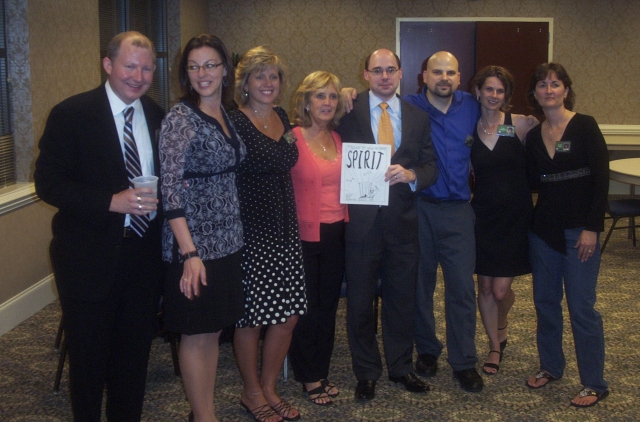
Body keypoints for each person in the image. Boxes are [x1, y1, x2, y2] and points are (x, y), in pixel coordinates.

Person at [34, 31, 165, 421]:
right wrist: (111, 202)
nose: (138, 76)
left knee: (133, 361)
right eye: (130, 66)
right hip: (87, 257)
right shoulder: (72, 113)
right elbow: (48, 183)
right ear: (108, 65)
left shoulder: (158, 116)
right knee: (89, 363)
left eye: (147, 68)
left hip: (143, 259)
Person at [336, 48, 438, 401]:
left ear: (400, 73)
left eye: (390, 70)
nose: (384, 76)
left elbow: (430, 166)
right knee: (361, 302)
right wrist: (342, 93)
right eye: (376, 70)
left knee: (401, 300)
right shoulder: (346, 110)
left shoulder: (416, 117)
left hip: (403, 223)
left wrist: (412, 174)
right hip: (361, 224)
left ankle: (400, 367)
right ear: (364, 74)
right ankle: (366, 371)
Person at [159, 34, 245, 422]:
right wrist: (189, 254)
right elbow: (169, 190)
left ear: (225, 69)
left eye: (210, 64)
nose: (202, 73)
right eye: (194, 67)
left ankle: (202, 411)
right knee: (195, 333)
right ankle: (205, 416)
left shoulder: (225, 113)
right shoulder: (180, 118)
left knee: (212, 331)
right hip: (193, 247)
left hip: (227, 241)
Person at [524, 63, 610, 408]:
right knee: (545, 304)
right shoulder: (533, 134)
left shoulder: (585, 125)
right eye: (542, 85)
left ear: (565, 89)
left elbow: (601, 179)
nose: (549, 90)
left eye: (555, 84)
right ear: (535, 93)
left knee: (581, 307)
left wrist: (592, 228)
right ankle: (551, 367)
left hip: (580, 231)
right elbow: (530, 181)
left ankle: (594, 382)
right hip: (543, 231)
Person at [229, 46, 306, 422]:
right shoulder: (234, 122)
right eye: (259, 75)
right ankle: (250, 391)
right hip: (251, 233)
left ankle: (270, 386)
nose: (267, 82)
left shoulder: (280, 115)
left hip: (285, 229)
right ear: (244, 83)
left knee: (288, 315)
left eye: (273, 76)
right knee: (252, 318)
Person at [404, 51, 484, 393]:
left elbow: (503, 113)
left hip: (458, 211)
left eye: (450, 72)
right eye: (437, 72)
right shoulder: (408, 106)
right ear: (424, 75)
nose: (444, 78)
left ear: (459, 75)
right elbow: (369, 102)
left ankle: (464, 361)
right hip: (419, 208)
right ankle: (427, 350)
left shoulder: (473, 105)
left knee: (462, 288)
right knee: (421, 286)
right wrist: (348, 94)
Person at [469, 66, 537, 375]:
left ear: (505, 95)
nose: (494, 95)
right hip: (483, 216)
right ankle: (495, 346)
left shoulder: (522, 125)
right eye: (489, 89)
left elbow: (553, 146)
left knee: (500, 292)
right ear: (478, 91)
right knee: (484, 288)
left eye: (500, 91)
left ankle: (503, 319)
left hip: (515, 217)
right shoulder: (469, 130)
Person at [288, 71, 348, 406]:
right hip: (303, 236)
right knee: (305, 308)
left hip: (337, 231)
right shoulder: (290, 139)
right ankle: (308, 375)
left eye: (332, 96)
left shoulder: (338, 139)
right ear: (306, 101)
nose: (327, 103)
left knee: (327, 306)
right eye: (320, 96)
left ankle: (320, 370)